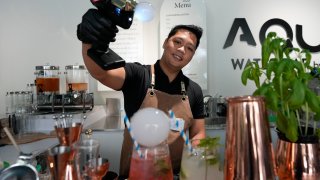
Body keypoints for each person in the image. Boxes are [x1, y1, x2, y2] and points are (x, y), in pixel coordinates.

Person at [77, 8, 206, 179]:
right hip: (136, 174)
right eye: (177, 42)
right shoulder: (138, 75)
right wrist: (89, 40)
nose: (182, 49)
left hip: (175, 175)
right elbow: (101, 73)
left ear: (192, 55)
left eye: (189, 48)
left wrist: (195, 152)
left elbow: (198, 132)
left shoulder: (194, 90)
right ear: (165, 42)